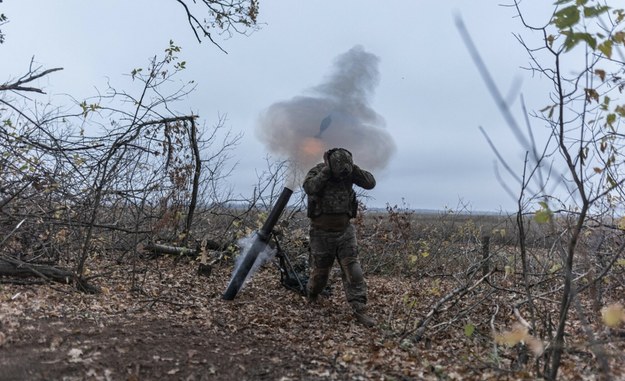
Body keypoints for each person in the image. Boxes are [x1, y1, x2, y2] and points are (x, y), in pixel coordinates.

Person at [302, 147, 376, 327]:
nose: (342, 175)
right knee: (320, 275)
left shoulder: (349, 173)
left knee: (353, 270)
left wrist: (353, 169)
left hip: (345, 231)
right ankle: (312, 295)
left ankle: (360, 309)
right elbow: (310, 187)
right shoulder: (318, 171)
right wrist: (327, 170)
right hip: (321, 233)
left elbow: (370, 183)